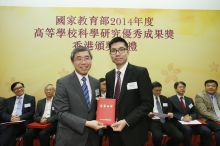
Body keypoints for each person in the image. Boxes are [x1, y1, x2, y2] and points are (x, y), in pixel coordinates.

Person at [53, 46, 106, 146]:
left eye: (87, 58)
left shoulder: (95, 82)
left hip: (92, 138)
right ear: (72, 62)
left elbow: (92, 109)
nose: (83, 62)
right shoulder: (63, 83)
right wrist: (87, 123)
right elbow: (61, 113)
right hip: (70, 138)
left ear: (91, 60)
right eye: (79, 59)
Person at [105, 37, 153, 146]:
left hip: (133, 131)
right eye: (113, 51)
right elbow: (111, 101)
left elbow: (148, 103)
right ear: (110, 54)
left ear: (128, 51)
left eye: (121, 49)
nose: (117, 54)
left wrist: (126, 121)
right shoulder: (109, 76)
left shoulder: (140, 72)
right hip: (113, 130)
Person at [168, 81, 212, 146]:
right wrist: (183, 118)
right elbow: (170, 113)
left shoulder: (189, 99)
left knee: (207, 131)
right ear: (175, 89)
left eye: (183, 87)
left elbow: (194, 112)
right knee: (187, 130)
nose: (182, 89)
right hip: (178, 121)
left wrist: (190, 117)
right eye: (180, 87)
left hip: (190, 121)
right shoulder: (170, 99)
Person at [0, 82, 35, 146]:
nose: (19, 89)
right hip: (10, 121)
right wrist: (11, 118)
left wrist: (20, 118)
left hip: (23, 121)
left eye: (20, 87)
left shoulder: (31, 98)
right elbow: (3, 113)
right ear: (13, 91)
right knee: (8, 130)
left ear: (23, 88)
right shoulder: (8, 100)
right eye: (16, 88)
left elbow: (31, 112)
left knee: (8, 130)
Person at [148, 81, 183, 146]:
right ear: (151, 90)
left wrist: (169, 113)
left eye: (160, 90)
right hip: (153, 121)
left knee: (179, 137)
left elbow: (168, 109)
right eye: (156, 90)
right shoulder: (147, 99)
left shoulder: (164, 98)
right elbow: (143, 111)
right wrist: (148, 114)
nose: (158, 92)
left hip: (165, 121)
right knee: (158, 137)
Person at [195, 79, 220, 146]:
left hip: (218, 116)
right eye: (208, 86)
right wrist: (217, 118)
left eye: (213, 86)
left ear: (216, 88)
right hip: (206, 118)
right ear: (205, 87)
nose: (210, 87)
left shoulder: (218, 95)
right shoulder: (200, 96)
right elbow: (203, 112)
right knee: (218, 128)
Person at [98, 78, 107, 146]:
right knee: (99, 134)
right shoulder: (95, 96)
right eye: (104, 84)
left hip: (110, 120)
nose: (105, 86)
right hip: (99, 121)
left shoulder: (110, 94)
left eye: (107, 84)